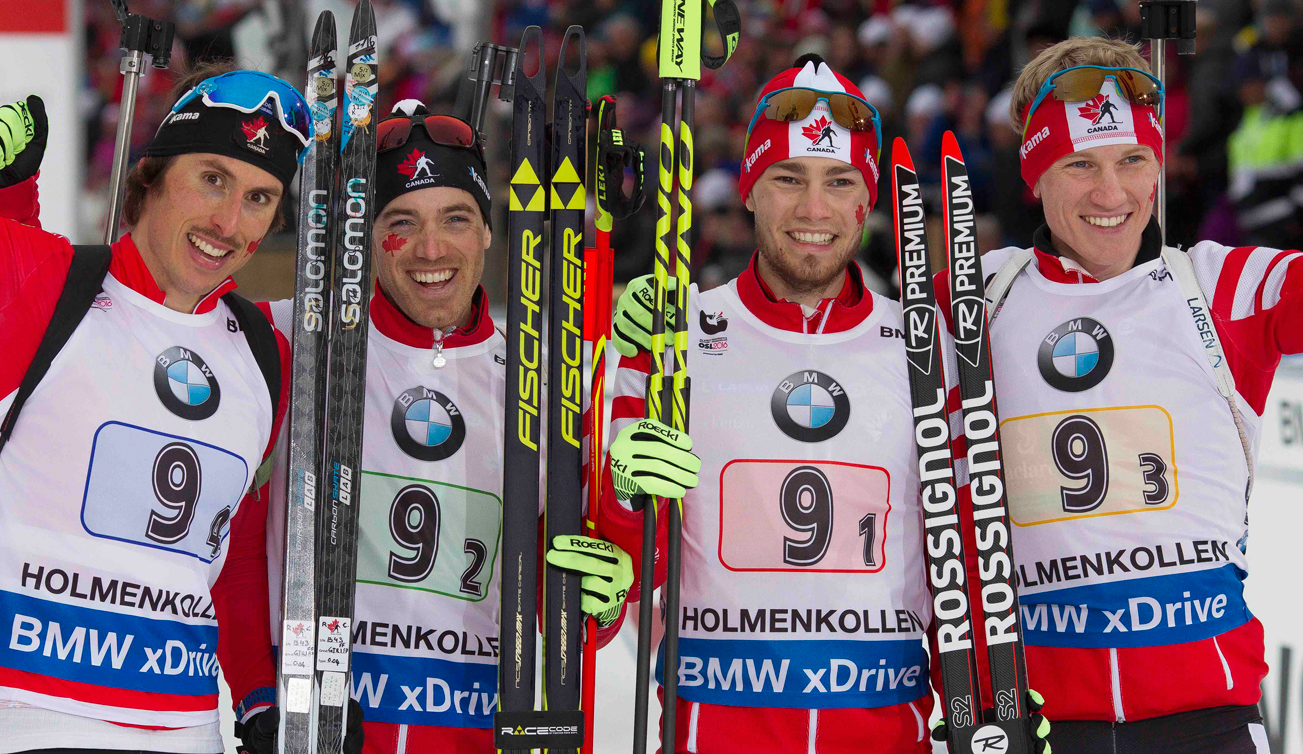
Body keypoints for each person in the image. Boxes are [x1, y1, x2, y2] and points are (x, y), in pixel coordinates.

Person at [602, 55, 1050, 754]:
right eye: (787, 179)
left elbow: (967, 557)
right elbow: (605, 596)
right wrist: (620, 501)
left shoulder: (926, 349)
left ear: (865, 200)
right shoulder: (668, 338)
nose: (814, 210)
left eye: (839, 182)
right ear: (749, 189)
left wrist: (994, 711)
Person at [934, 36, 1303, 753]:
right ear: (1035, 176)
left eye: (1133, 161)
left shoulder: (1221, 285)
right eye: (1080, 165)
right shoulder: (975, 298)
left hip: (1209, 719)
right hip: (1035, 721)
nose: (1112, 194)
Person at [255, 100, 635, 753]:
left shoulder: (546, 380)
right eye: (401, 222)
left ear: (489, 231)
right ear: (366, 238)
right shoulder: (291, 336)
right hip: (323, 728)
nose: (431, 249)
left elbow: (568, 608)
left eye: (456, 219)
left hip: (474, 731)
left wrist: (605, 584)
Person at [0, 65, 307, 753]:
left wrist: (260, 696)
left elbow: (232, 543)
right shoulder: (35, 276)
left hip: (187, 732)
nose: (228, 221)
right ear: (149, 174)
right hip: (21, 721)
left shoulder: (269, 353)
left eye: (260, 197)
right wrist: (7, 214)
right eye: (212, 178)